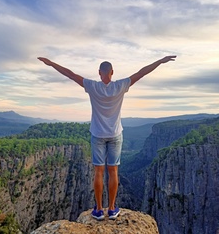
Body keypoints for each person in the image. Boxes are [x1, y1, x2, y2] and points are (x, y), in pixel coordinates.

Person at [38, 55, 176, 220]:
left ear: (99, 73)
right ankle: (111, 209)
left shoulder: (92, 86)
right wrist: (160, 61)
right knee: (113, 171)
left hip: (97, 134)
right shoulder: (120, 85)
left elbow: (70, 74)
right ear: (112, 72)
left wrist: (51, 63)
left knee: (98, 171)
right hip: (115, 134)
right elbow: (142, 73)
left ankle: (97, 209)